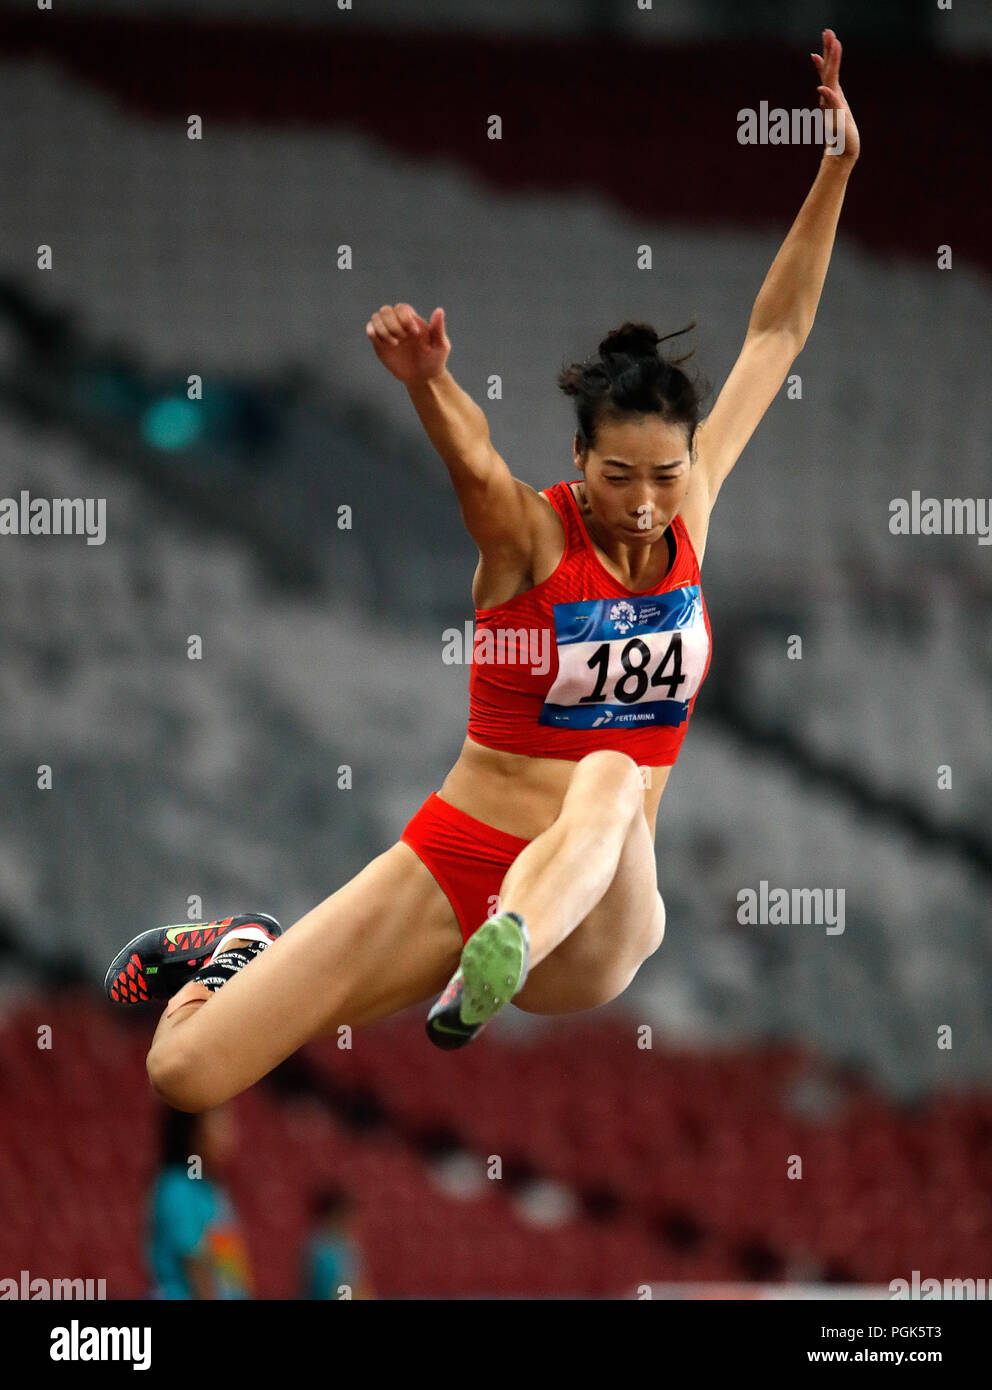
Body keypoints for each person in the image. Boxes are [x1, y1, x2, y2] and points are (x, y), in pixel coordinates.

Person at [104, 34, 859, 1110]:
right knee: (185, 1073)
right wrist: (427, 382)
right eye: (618, 476)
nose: (644, 503)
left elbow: (777, 329)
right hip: (460, 856)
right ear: (578, 465)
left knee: (607, 773)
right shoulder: (530, 543)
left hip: (592, 910)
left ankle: (499, 947)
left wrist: (833, 166)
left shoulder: (689, 505)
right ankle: (241, 947)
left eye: (663, 474)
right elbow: (472, 463)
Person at [147, 1104, 253, 1299]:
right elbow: (195, 1265)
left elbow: (229, 1271)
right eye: (219, 1125)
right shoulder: (177, 1186)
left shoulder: (212, 1189)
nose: (228, 1135)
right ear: (193, 1131)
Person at [302, 1187, 374, 1300]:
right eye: (348, 1216)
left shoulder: (349, 1247)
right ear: (334, 1216)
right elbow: (333, 1290)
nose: (353, 1223)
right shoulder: (321, 1251)